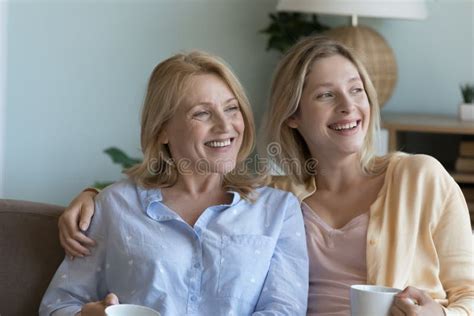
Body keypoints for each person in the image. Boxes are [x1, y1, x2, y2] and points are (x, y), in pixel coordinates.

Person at [58, 36, 474, 316]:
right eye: (326, 95)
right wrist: (93, 195)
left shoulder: (420, 177)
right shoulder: (277, 197)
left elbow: (469, 293)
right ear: (293, 115)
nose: (348, 107)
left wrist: (436, 313)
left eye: (357, 90)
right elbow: (183, 192)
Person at [40, 51, 309, 316]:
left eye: (231, 108)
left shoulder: (279, 210)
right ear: (162, 130)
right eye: (202, 113)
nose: (225, 125)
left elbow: (285, 310)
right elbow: (58, 304)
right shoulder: (114, 205)